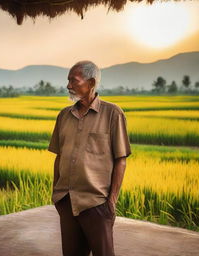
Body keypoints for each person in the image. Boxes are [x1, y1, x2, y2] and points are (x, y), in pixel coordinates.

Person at [48, 60, 132, 256]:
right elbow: (59, 156)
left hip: (96, 203)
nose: (68, 85)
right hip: (66, 201)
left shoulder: (113, 114)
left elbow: (121, 159)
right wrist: (56, 194)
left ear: (91, 82)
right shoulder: (63, 116)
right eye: (68, 80)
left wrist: (111, 201)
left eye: (74, 81)